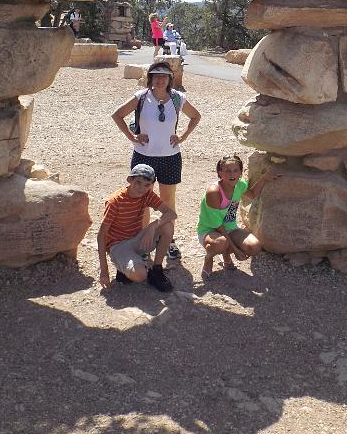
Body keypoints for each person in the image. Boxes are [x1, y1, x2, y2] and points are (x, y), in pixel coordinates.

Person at [111, 61, 201, 261]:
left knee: (168, 202)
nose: (160, 80)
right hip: (144, 157)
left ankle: (167, 241)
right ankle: (144, 241)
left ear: (170, 78)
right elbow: (117, 115)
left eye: (164, 76)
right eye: (156, 75)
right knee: (142, 202)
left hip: (170, 157)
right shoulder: (141, 98)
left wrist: (183, 137)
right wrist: (132, 137)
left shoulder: (178, 99)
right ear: (150, 78)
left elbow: (196, 116)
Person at [97, 163, 176, 292]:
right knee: (140, 276)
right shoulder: (115, 201)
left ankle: (156, 269)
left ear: (151, 185)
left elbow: (171, 213)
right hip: (118, 246)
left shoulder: (147, 194)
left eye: (147, 185)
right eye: (138, 183)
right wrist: (104, 270)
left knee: (167, 226)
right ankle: (126, 268)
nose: (142, 188)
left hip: (137, 239)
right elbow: (101, 235)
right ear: (130, 180)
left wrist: (152, 226)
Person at [197, 154, 270, 280]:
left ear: (241, 172)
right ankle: (209, 258)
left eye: (236, 170)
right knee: (221, 243)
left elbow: (252, 194)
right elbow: (217, 225)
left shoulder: (239, 184)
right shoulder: (213, 191)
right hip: (210, 230)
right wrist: (236, 249)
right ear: (220, 173)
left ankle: (225, 255)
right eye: (227, 171)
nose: (232, 174)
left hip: (229, 228)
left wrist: (265, 178)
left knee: (254, 247)